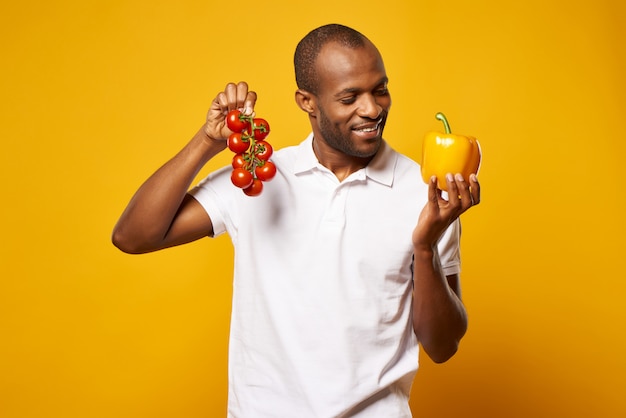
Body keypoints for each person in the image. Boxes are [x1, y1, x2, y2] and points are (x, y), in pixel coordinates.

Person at [112, 23, 480, 418]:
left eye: (380, 89)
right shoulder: (257, 177)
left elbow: (442, 346)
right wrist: (208, 141)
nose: (372, 109)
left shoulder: (425, 192)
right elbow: (133, 236)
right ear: (307, 101)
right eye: (349, 97)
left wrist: (425, 248)